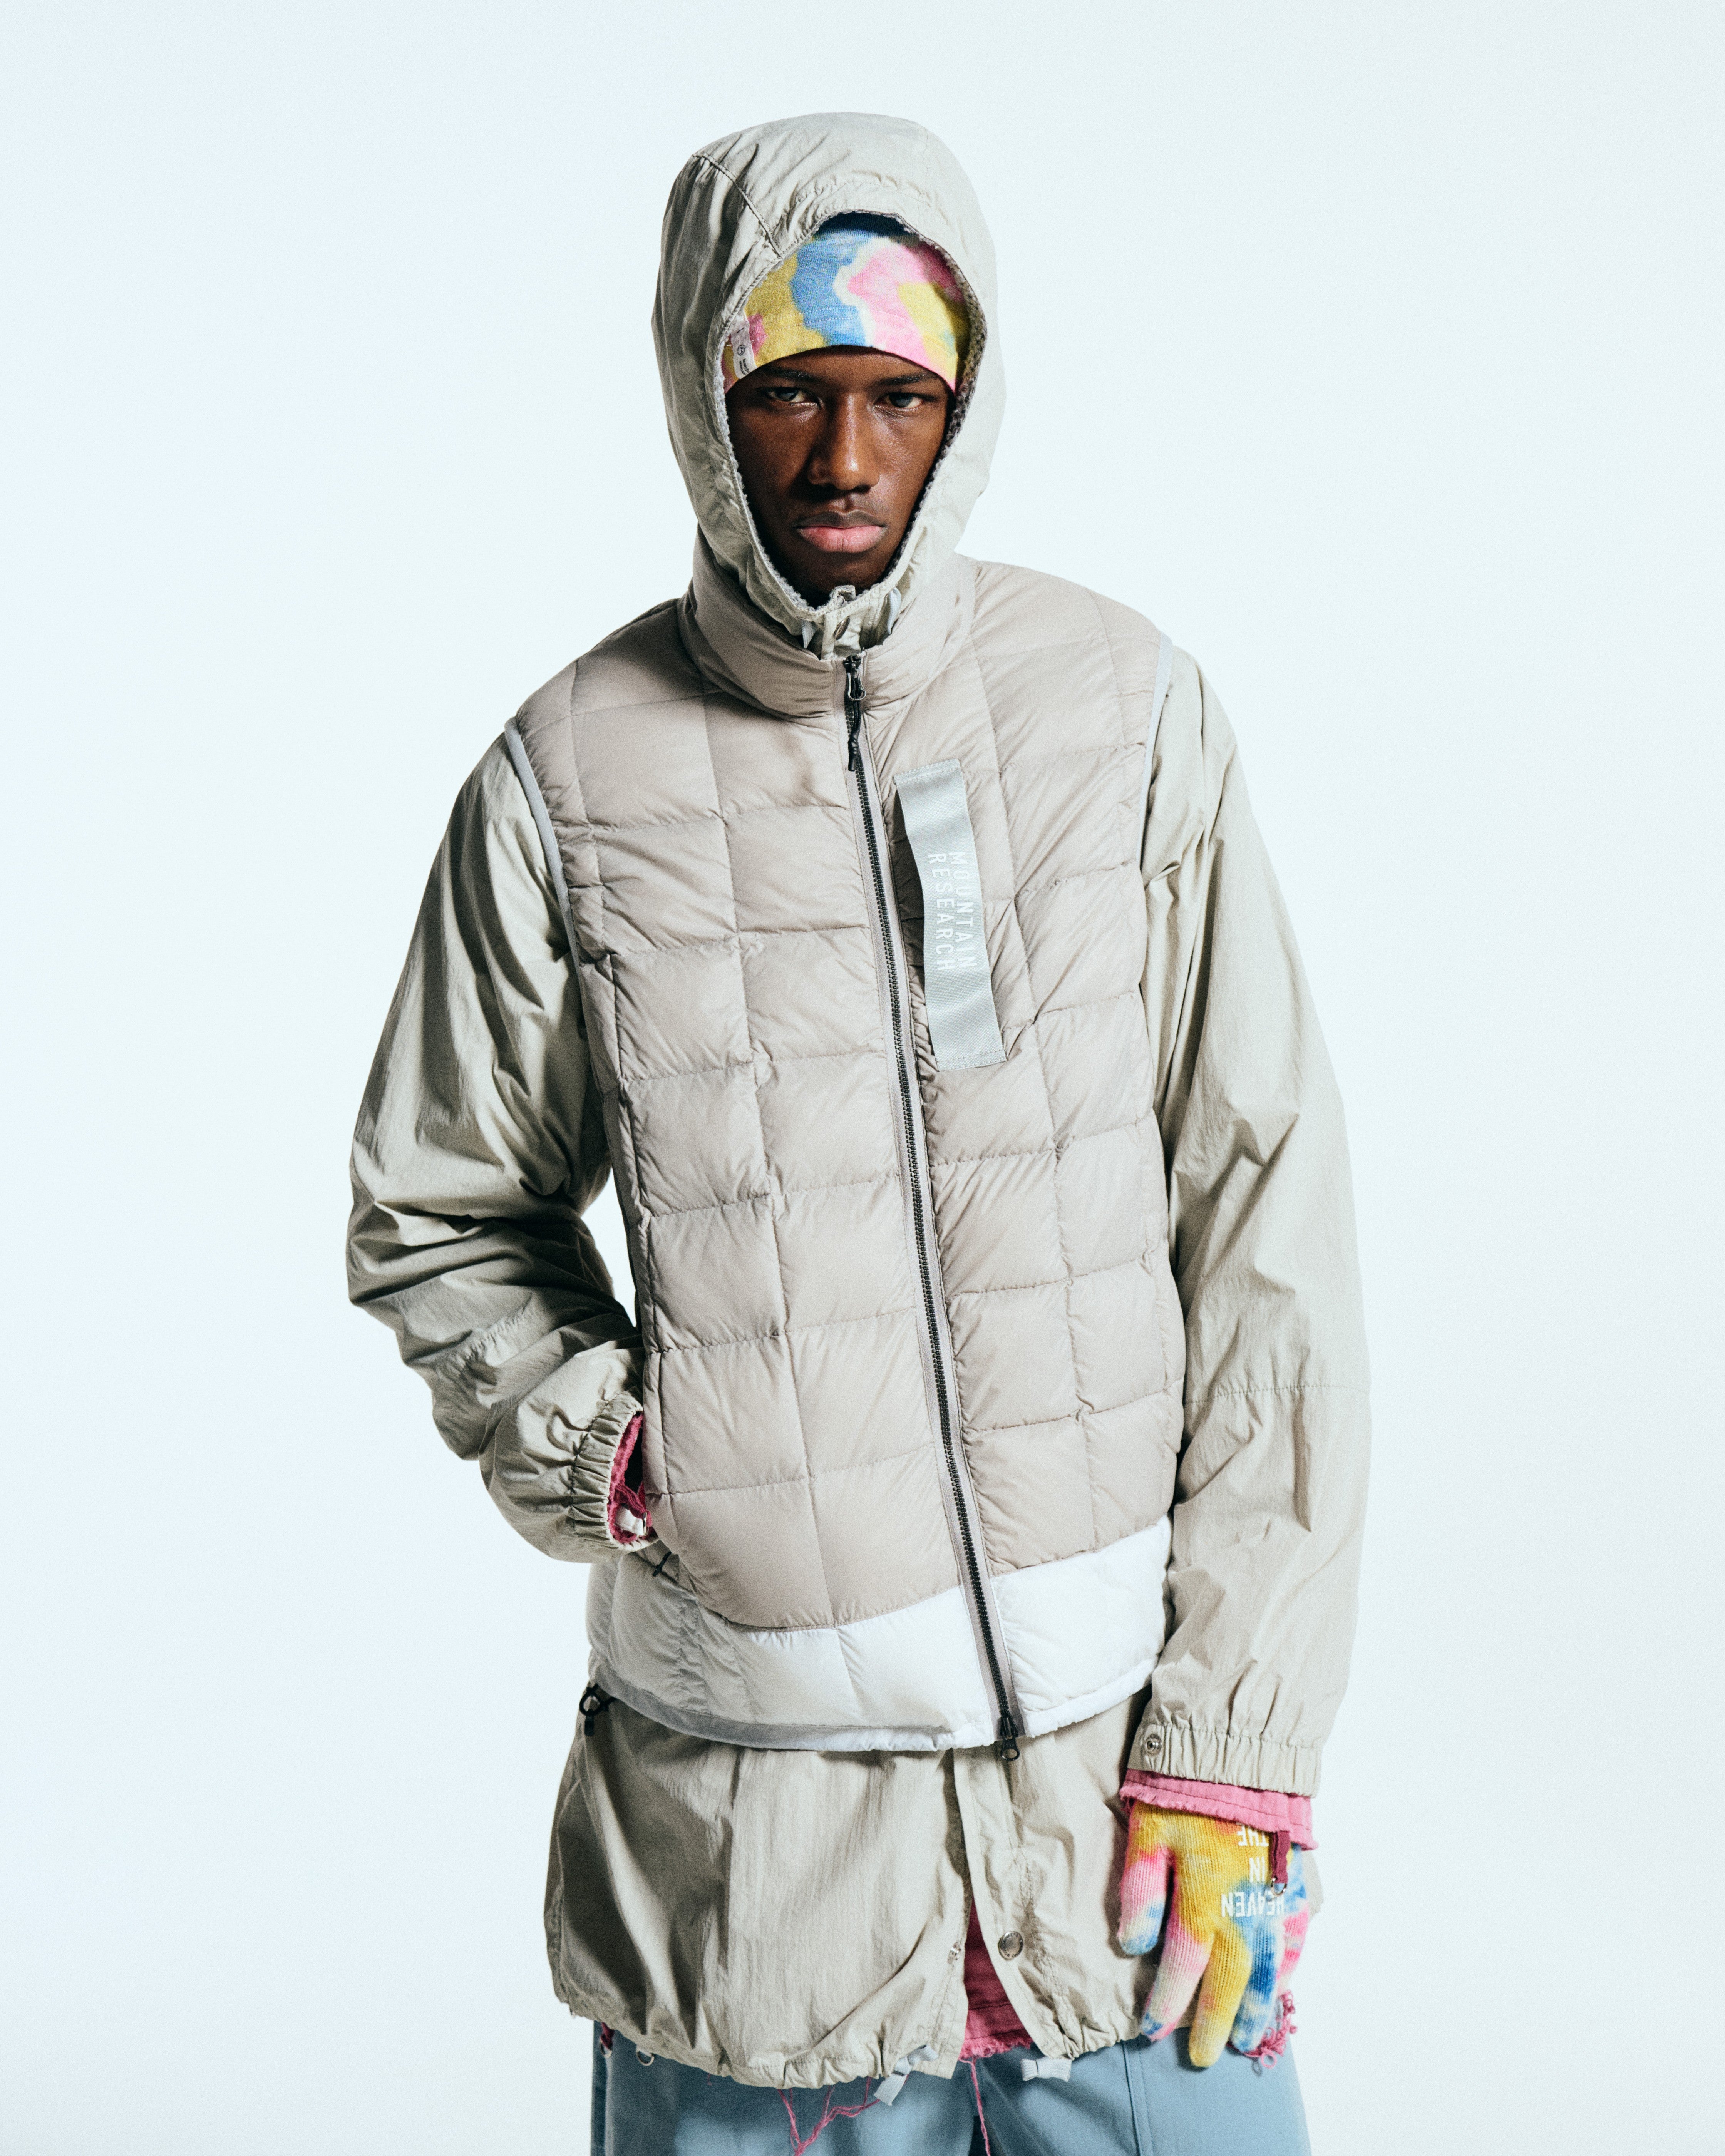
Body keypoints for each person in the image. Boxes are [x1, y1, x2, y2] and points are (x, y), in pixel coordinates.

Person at [347, 110, 1370, 2156]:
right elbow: (438, 1211)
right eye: (789, 391)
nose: (842, 456)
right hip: (761, 1896)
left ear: (962, 404)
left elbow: (1265, 1222)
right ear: (701, 392)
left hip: (1133, 1850)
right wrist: (631, 1454)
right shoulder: (565, 781)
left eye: (899, 395)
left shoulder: (1124, 715)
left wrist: (1240, 1737)